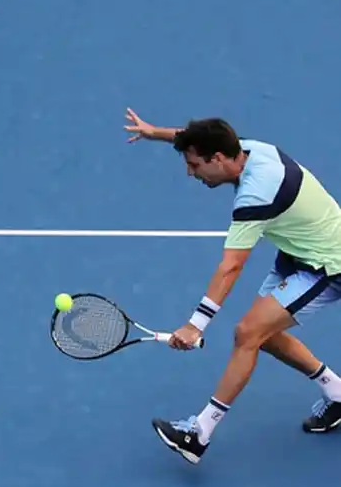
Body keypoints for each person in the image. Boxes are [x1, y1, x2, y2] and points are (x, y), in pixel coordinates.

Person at [124, 107, 341, 465]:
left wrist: (196, 324)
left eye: (194, 166)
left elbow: (231, 266)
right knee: (264, 336)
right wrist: (156, 133)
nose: (189, 172)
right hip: (297, 251)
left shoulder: (257, 193)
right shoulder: (248, 149)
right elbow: (193, 137)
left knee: (248, 333)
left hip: (326, 265)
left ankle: (199, 433)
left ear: (219, 159)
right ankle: (336, 392)